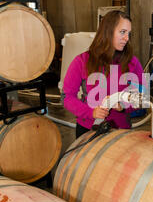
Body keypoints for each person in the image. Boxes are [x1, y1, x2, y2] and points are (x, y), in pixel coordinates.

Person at [62, 10, 144, 138]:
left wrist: (123, 106)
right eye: (122, 32)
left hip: (122, 132)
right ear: (108, 31)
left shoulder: (133, 63)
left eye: (129, 33)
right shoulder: (82, 61)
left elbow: (140, 97)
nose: (127, 38)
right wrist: (91, 112)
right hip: (88, 130)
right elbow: (67, 97)